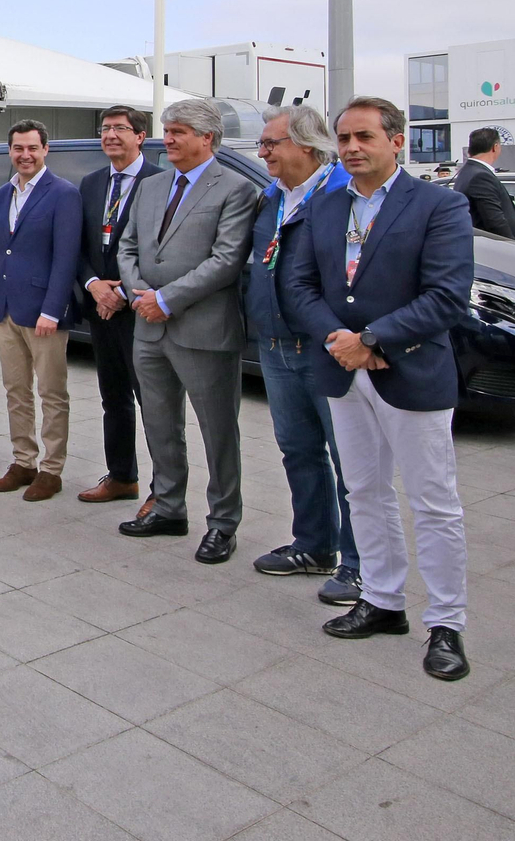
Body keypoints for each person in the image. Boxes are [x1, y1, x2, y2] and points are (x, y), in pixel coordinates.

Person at [287, 96, 474, 682]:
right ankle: (384, 601)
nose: (351, 148)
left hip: (410, 371)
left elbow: (447, 295)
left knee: (433, 502)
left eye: (364, 137)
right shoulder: (325, 207)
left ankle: (446, 624)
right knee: (364, 491)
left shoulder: (441, 205)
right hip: (343, 373)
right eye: (343, 138)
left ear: (398, 141)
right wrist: (341, 341)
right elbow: (297, 285)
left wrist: (372, 338)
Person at [115, 98, 256, 564]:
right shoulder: (151, 187)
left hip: (203, 331)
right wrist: (140, 294)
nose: (168, 140)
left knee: (218, 431)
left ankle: (222, 523)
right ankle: (169, 507)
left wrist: (166, 299)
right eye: (167, 131)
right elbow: (128, 245)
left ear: (207, 138)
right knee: (159, 423)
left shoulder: (235, 189)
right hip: (148, 328)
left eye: (177, 132)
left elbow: (226, 260)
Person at [247, 106, 362, 605]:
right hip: (274, 343)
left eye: (273, 143)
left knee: (351, 462)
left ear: (309, 146)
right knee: (298, 451)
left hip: (325, 347)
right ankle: (314, 546)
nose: (263, 152)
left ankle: (360, 565)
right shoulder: (271, 197)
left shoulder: (342, 194)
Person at [0, 120, 82, 502]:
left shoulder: (63, 194)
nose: (25, 155)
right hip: (6, 310)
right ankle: (24, 460)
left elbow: (66, 257)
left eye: (32, 148)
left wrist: (53, 310)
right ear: (10, 152)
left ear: (45, 150)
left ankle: (52, 469)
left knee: (52, 393)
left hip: (44, 314)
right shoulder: (4, 193)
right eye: (18, 149)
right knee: (15, 391)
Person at [75, 106, 163, 506]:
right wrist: (95, 286)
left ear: (140, 136)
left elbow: (162, 251)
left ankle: (164, 491)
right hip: (100, 309)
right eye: (105, 128)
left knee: (154, 401)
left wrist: (124, 293)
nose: (110, 135)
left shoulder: (160, 183)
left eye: (120, 129)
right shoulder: (91, 184)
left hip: (141, 310)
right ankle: (122, 476)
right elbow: (78, 247)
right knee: (113, 398)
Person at [452, 126, 515, 237]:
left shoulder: (468, 171)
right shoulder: (480, 176)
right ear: (495, 147)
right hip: (495, 248)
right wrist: (510, 245)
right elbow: (495, 221)